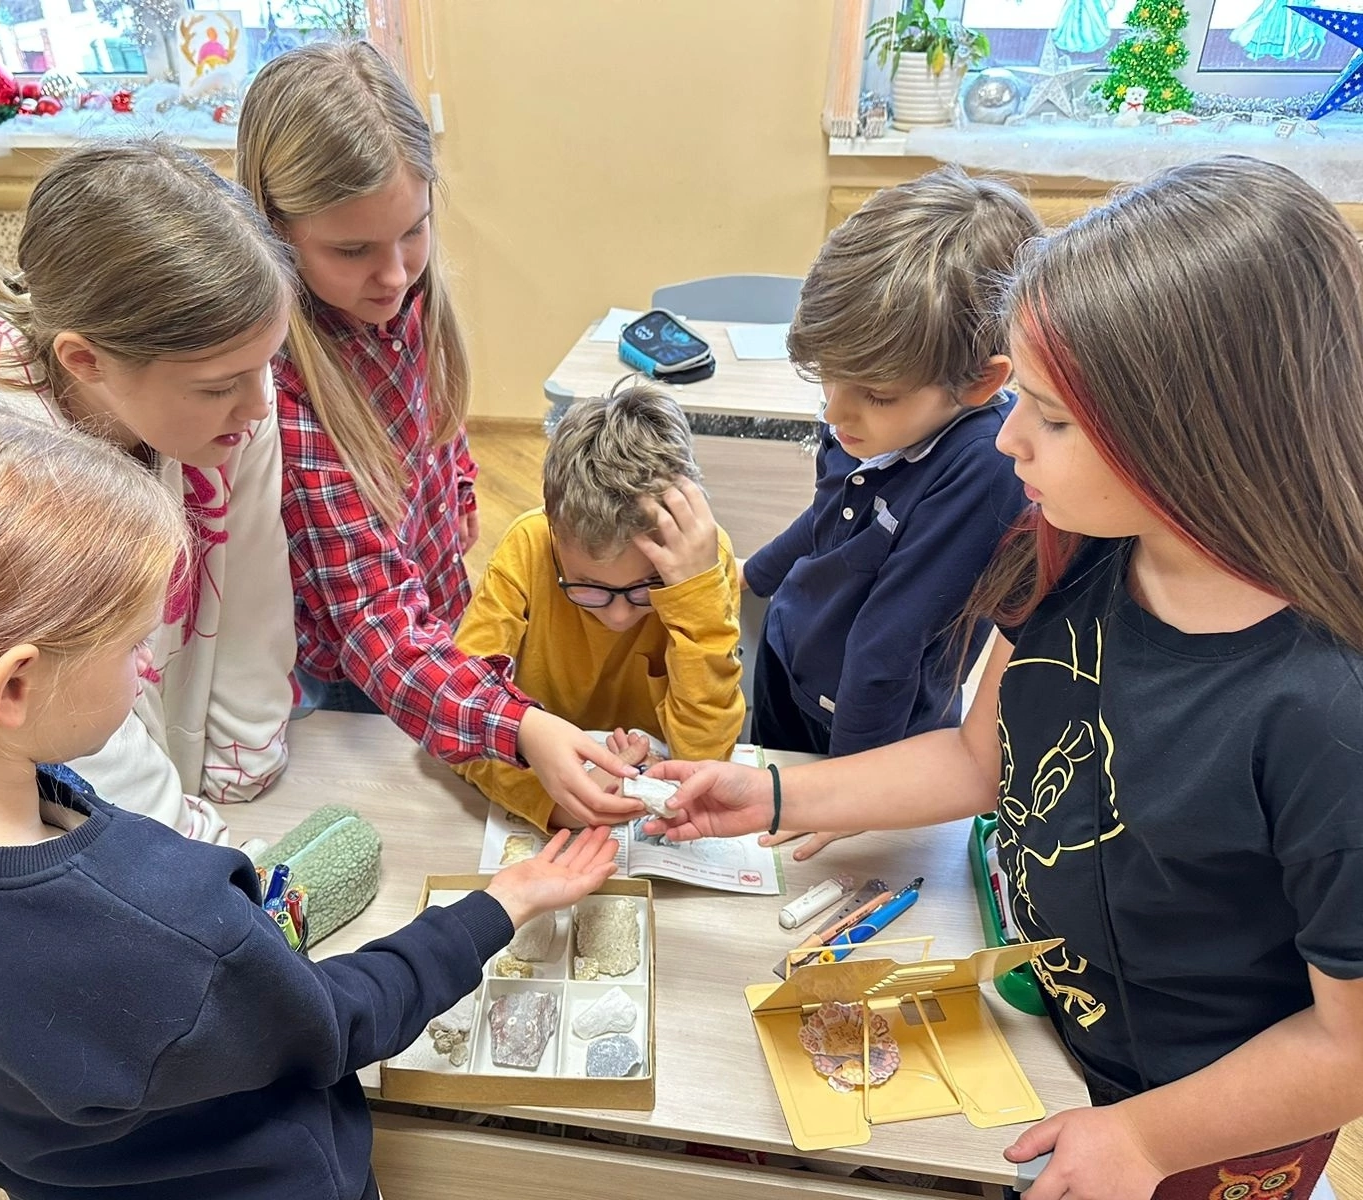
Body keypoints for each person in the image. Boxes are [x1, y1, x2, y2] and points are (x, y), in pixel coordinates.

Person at [646, 157, 1363, 1200]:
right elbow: (983, 754)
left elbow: (1346, 1043)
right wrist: (782, 791)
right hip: (1058, 1040)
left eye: (1053, 418)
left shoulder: (1324, 711)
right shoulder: (1077, 550)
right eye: (1017, 399)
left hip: (1204, 1124)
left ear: (1199, 434)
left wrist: (1150, 1141)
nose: (1009, 437)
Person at [0, 395, 619, 1200]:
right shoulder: (160, 923)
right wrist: (501, 903)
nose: (146, 667)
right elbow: (332, 1024)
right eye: (134, 642)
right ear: (14, 686)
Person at [237, 42, 637, 825]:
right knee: (409, 814)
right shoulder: (282, 389)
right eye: (352, 250)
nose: (395, 274)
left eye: (413, 232)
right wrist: (519, 726)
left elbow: (437, 429)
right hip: (352, 674)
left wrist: (452, 502)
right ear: (275, 230)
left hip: (429, 616)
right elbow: (375, 628)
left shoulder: (403, 301)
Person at [0, 140, 296, 845]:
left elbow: (252, 583)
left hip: (150, 770)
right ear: (84, 359)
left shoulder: (231, 392)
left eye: (265, 366)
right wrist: (191, 853)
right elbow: (69, 714)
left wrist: (245, 761)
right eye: (220, 385)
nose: (258, 404)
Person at [743, 167, 1039, 859]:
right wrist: (753, 577)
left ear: (980, 383)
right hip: (794, 657)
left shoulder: (984, 469)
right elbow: (825, 517)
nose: (835, 411)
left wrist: (851, 789)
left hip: (876, 728)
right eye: (828, 378)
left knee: (831, 858)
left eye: (874, 393)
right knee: (771, 822)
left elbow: (889, 645)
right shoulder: (863, 418)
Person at [454, 385, 744, 828]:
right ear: (555, 530)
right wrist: (549, 800)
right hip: (548, 782)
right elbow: (458, 715)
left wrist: (695, 600)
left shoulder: (703, 563)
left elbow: (704, 760)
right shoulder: (530, 544)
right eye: (588, 588)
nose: (618, 616)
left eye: (647, 588)